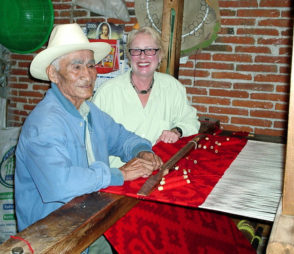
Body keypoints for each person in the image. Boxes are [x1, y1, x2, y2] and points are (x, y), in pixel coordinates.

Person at [14, 23, 162, 253]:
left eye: (91, 65)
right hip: (52, 235)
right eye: (76, 66)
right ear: (53, 74)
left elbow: (121, 137)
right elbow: (60, 183)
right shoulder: (43, 124)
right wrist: (119, 174)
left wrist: (142, 150)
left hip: (89, 220)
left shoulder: (89, 111)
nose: (87, 74)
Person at [93, 26, 200, 168]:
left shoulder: (172, 87)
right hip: (120, 175)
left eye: (149, 50)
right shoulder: (107, 93)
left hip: (160, 170)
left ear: (160, 55)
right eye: (136, 50)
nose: (143, 56)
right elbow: (92, 142)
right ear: (129, 56)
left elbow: (191, 120)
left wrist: (177, 131)